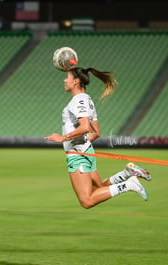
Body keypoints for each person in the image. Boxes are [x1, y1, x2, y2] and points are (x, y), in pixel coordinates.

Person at [44, 67, 151, 209]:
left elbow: (85, 127)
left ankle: (129, 184)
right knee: (98, 188)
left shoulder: (78, 100)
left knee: (87, 201)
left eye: (67, 77)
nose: (64, 80)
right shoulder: (87, 99)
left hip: (78, 155)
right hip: (86, 151)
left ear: (76, 81)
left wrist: (63, 138)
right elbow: (96, 132)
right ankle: (126, 174)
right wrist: (83, 145)